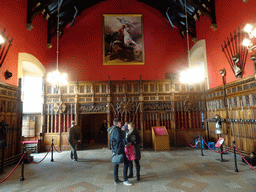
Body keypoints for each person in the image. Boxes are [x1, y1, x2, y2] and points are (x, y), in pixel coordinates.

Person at [108, 118, 132, 186]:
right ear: (118, 123)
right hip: (119, 149)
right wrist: (123, 132)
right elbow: (119, 139)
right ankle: (125, 179)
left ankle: (116, 179)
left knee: (116, 163)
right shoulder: (116, 130)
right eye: (120, 123)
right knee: (126, 162)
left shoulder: (112, 129)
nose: (121, 124)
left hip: (116, 149)